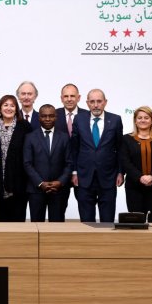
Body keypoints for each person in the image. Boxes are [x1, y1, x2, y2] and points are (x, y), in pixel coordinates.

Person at [71, 89, 123, 222]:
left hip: (108, 176)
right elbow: (74, 148)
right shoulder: (79, 119)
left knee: (107, 220)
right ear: (87, 103)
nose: (96, 105)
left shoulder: (115, 120)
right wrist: (74, 172)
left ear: (105, 102)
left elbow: (120, 148)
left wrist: (120, 172)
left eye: (99, 101)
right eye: (92, 102)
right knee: (86, 220)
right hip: (84, 176)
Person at [119, 106, 152, 222]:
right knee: (136, 221)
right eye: (140, 118)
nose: (143, 120)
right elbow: (125, 161)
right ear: (135, 120)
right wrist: (140, 177)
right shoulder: (126, 139)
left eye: (146, 117)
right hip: (134, 187)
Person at [23, 104, 72, 222]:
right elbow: (27, 163)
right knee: (36, 226)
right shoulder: (29, 137)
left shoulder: (65, 137)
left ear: (56, 117)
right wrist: (40, 183)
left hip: (58, 190)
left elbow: (69, 163)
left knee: (57, 228)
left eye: (51, 116)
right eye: (44, 116)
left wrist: (60, 182)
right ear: (39, 117)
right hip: (36, 189)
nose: (48, 119)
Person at [0, 95, 31, 222]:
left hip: (19, 183)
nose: (9, 108)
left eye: (12, 105)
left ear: (16, 109)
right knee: (1, 221)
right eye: (5, 105)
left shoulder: (25, 127)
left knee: (18, 221)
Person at [55, 83, 87, 215]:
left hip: (83, 171)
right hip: (59, 171)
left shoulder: (88, 115)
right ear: (61, 98)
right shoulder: (52, 115)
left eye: (72, 96)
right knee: (58, 211)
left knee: (86, 209)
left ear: (78, 97)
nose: (69, 99)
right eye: (66, 96)